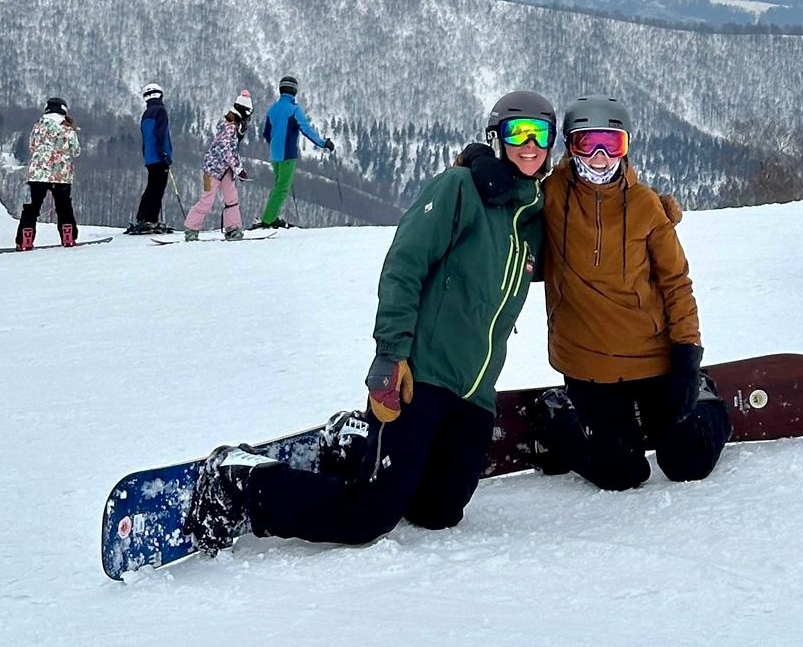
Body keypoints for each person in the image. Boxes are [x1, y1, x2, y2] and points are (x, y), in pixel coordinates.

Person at [181, 89, 556, 554]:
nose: (529, 143)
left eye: (540, 134)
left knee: (440, 511)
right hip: (421, 374)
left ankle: (356, 444)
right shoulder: (460, 189)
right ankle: (242, 482)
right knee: (368, 515)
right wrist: (390, 354)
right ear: (497, 137)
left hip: (474, 391)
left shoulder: (533, 219)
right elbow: (405, 265)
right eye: (517, 131)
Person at [535, 94, 730, 490]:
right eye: (587, 144)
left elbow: (676, 284)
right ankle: (557, 415)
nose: (601, 157)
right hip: (588, 361)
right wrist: (473, 164)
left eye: (613, 144)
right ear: (570, 147)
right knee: (621, 473)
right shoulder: (549, 195)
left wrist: (687, 356)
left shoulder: (645, 206)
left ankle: (707, 401)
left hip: (652, 355)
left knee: (686, 461)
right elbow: (504, 190)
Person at [259, 74, 335, 229]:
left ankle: (270, 216)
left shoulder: (272, 109)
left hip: (274, 154)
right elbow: (306, 130)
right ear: (294, 91)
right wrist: (323, 143)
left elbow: (266, 133)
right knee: (282, 187)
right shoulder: (294, 109)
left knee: (278, 185)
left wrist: (275, 144)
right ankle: (268, 219)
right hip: (288, 154)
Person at [182, 92, 254, 241]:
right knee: (207, 199)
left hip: (226, 170)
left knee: (231, 197)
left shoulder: (233, 124)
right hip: (211, 170)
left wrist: (236, 168)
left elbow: (232, 150)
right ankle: (191, 229)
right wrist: (239, 170)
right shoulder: (229, 126)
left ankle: (233, 228)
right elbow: (227, 150)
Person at [15, 96, 82, 249]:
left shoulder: (38, 126)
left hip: (37, 174)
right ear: (64, 110)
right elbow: (76, 151)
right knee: (64, 208)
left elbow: (32, 147)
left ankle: (25, 240)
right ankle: (68, 237)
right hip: (61, 176)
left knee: (31, 208)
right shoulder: (67, 128)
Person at [125, 82, 174, 234]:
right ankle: (150, 219)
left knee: (151, 187)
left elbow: (146, 137)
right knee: (158, 188)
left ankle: (143, 217)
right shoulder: (161, 111)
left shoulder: (146, 114)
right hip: (160, 157)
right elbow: (160, 133)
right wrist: (164, 153)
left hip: (150, 157)